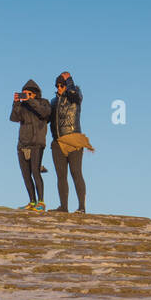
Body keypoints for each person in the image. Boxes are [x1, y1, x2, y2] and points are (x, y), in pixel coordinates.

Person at [49, 71, 88, 213]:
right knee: (61, 175)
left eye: (62, 85)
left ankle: (81, 207)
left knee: (76, 172)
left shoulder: (75, 94)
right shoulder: (53, 102)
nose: (59, 87)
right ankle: (63, 207)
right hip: (57, 142)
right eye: (57, 85)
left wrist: (69, 80)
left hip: (73, 139)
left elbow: (74, 94)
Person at [9, 79, 51, 212]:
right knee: (26, 175)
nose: (24, 95)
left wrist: (30, 100)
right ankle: (32, 201)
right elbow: (14, 118)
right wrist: (16, 103)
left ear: (34, 94)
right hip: (22, 144)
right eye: (23, 93)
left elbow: (45, 113)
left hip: (37, 144)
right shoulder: (23, 106)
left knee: (35, 172)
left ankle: (41, 202)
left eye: (27, 93)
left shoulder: (43, 103)